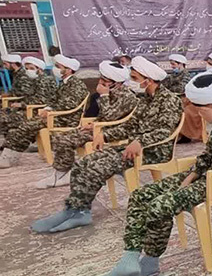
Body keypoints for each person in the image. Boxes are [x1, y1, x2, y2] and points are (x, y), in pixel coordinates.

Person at [90, 70, 212, 276]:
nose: (198, 113)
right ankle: (129, 260)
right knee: (140, 196)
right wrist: (191, 176)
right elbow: (210, 153)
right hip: (208, 173)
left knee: (160, 205)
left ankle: (150, 262)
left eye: (201, 109)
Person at [31, 56, 184, 233]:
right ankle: (74, 209)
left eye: (134, 78)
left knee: (97, 167)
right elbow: (129, 126)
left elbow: (164, 131)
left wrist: (140, 141)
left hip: (153, 151)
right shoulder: (145, 99)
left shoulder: (170, 100)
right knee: (83, 163)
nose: (131, 81)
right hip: (132, 147)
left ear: (148, 80)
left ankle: (79, 211)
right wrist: (104, 135)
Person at [34, 60, 137, 189]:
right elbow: (103, 116)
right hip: (100, 127)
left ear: (116, 83)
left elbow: (110, 117)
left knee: (65, 141)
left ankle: (61, 174)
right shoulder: (111, 93)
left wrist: (104, 96)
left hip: (110, 131)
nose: (101, 82)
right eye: (101, 79)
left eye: (105, 81)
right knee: (59, 137)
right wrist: (93, 123)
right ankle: (61, 172)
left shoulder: (127, 96)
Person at [0, 54, 89, 169]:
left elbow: (69, 105)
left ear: (69, 70)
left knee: (27, 126)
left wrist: (51, 110)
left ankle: (9, 157)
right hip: (56, 115)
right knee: (24, 125)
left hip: (66, 118)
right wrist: (48, 108)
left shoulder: (76, 84)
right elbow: (53, 100)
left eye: (58, 66)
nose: (55, 69)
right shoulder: (64, 83)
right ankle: (9, 155)